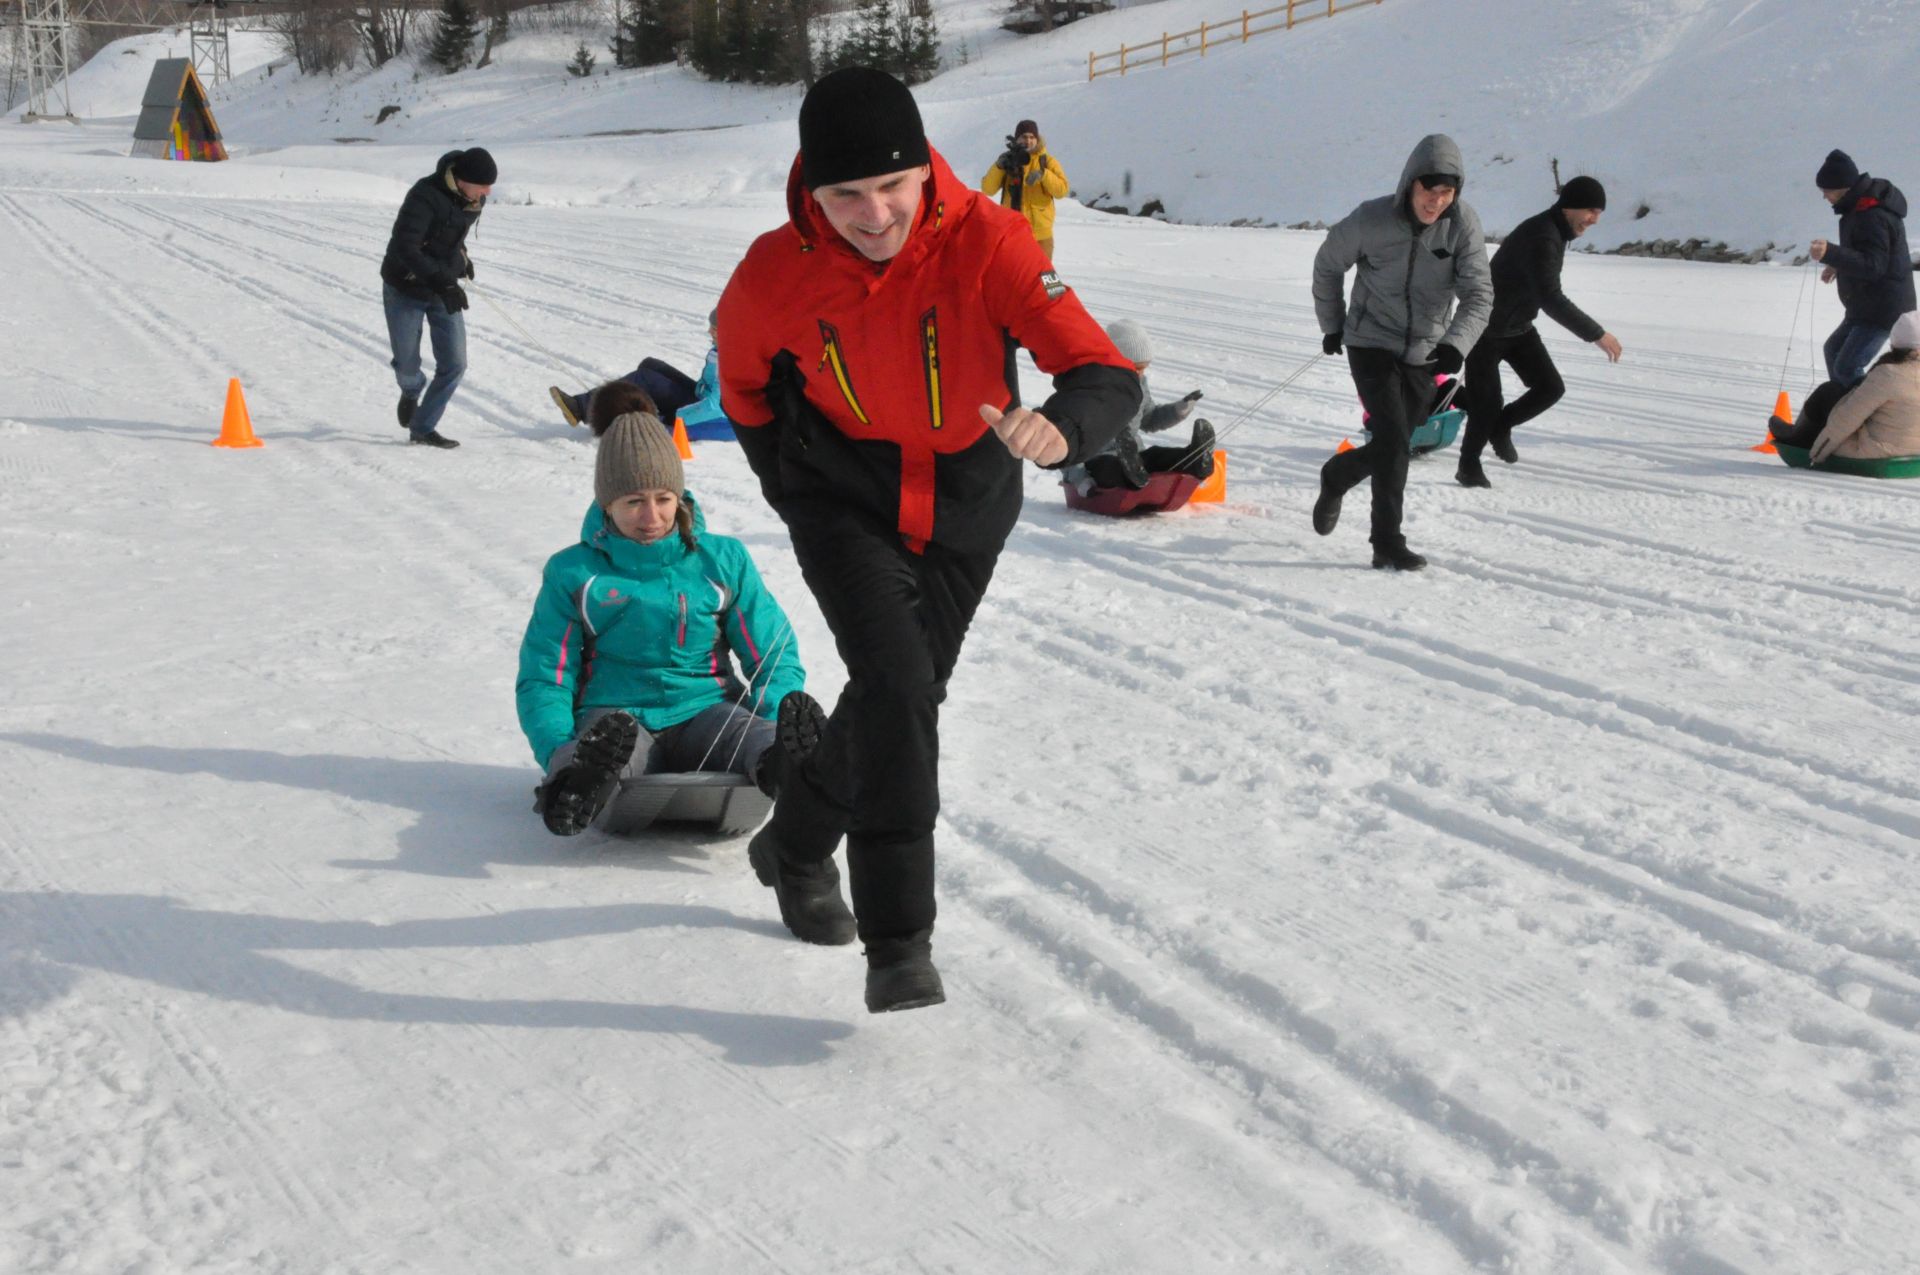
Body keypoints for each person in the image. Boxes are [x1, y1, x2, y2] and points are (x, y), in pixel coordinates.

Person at [716, 67, 1138, 1013]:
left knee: (894, 694)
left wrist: (1064, 423)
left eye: (891, 188)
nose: (873, 214)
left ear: (923, 172)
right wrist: (790, 490)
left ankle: (792, 845)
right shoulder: (773, 270)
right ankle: (898, 939)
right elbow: (741, 388)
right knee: (903, 688)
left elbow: (1103, 368)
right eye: (845, 195)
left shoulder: (991, 241)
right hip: (844, 500)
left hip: (966, 502)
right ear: (810, 190)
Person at [515, 397, 822, 838]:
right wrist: (557, 749)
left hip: (705, 710)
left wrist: (773, 715)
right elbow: (547, 673)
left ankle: (786, 765)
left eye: (663, 499)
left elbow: (772, 650)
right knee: (606, 749)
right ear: (607, 504)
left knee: (744, 733)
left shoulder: (721, 560)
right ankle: (576, 786)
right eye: (633, 501)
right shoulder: (575, 573)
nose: (651, 516)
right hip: (618, 714)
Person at [1311, 135, 1492, 570]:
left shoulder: (1462, 224)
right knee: (1392, 438)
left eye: (1446, 193)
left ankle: (1338, 475)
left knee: (1398, 443)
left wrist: (1455, 343)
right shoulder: (1371, 220)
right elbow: (1328, 264)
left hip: (1425, 349)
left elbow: (1479, 294)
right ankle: (1386, 543)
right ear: (1409, 184)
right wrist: (1333, 325)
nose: (1436, 202)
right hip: (1370, 340)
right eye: (1429, 192)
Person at [1457, 176, 1623, 488]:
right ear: (1569, 207)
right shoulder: (1543, 236)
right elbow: (1551, 298)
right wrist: (1597, 334)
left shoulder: (1556, 231)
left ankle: (1501, 426)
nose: (1595, 220)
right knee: (1486, 403)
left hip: (1518, 327)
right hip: (1485, 328)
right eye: (1591, 210)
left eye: (1599, 213)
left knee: (1549, 387)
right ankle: (1468, 466)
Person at [381, 147, 496, 449]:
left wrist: (462, 259)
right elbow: (407, 247)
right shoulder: (423, 195)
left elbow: (450, 237)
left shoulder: (474, 199)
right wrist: (444, 282)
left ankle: (423, 427)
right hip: (404, 286)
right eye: (483, 184)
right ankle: (411, 390)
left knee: (455, 363)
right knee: (407, 362)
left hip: (441, 285)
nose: (487, 191)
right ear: (462, 179)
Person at [1062, 319, 1214, 493]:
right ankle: (1131, 473)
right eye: (1136, 368)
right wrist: (1079, 480)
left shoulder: (1139, 384)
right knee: (1110, 467)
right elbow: (1066, 441)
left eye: (1144, 368)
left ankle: (1194, 461)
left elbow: (1149, 418)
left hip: (1135, 457)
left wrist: (1178, 410)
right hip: (1097, 461)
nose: (1140, 374)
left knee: (1156, 456)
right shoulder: (1091, 388)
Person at [1810, 149, 1916, 388]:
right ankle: (1843, 412)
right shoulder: (1858, 209)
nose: (1825, 197)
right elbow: (1865, 253)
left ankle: (1866, 416)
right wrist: (1837, 264)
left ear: (1842, 186)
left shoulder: (1871, 215)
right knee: (1833, 351)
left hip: (1884, 308)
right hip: (1866, 304)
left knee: (1847, 367)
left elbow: (1874, 266)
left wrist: (1832, 252)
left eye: (1826, 191)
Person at [1770, 311, 1920, 463]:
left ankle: (1797, 439)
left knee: (1829, 392)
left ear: (1894, 342)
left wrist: (1816, 454)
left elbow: (1847, 419)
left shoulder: (1888, 374)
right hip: (1916, 452)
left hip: (1876, 452)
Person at [548, 309, 728, 436]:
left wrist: (675, 419)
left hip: (709, 412)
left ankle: (582, 408)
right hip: (701, 395)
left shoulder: (728, 359)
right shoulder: (722, 348)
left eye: (714, 329)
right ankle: (640, 409)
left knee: (645, 378)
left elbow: (713, 405)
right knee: (651, 365)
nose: (708, 331)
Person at [981, 118, 1069, 260]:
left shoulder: (1047, 161)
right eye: (1024, 137)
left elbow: (1062, 190)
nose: (1028, 141)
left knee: (1044, 278)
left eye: (1032, 137)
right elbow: (987, 189)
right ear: (1017, 139)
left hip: (1041, 236)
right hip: (1012, 233)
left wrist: (1044, 174)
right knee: (1015, 277)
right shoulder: (1007, 161)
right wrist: (998, 166)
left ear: (1037, 139)